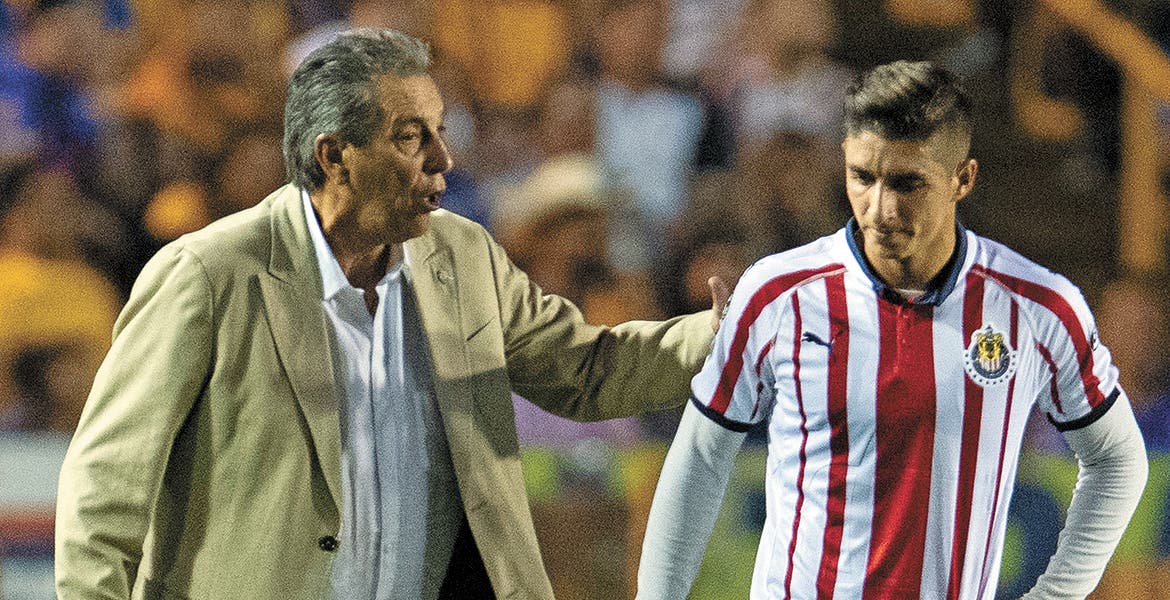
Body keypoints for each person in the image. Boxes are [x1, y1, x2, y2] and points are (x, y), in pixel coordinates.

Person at [55, 28, 726, 600]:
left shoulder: (464, 256)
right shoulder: (207, 276)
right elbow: (105, 492)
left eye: (440, 132)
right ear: (333, 156)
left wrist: (724, 335)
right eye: (412, 138)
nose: (443, 159)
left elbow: (587, 369)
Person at [636, 60, 1148, 599]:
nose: (879, 208)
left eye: (907, 183)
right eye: (862, 177)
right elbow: (700, 458)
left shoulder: (1039, 309)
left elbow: (1118, 460)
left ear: (962, 179)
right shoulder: (777, 295)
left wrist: (1055, 594)